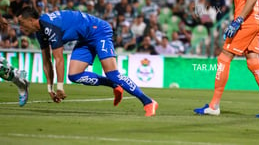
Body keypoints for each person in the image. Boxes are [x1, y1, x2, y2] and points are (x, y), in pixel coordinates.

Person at [17, 6, 158, 116]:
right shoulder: (40, 32)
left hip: (99, 31)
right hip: (85, 38)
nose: (21, 28)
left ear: (31, 20)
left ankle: (148, 102)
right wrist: (50, 88)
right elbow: (47, 61)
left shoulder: (49, 27)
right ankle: (114, 85)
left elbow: (59, 59)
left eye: (22, 23)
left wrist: (60, 87)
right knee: (74, 75)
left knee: (113, 73)